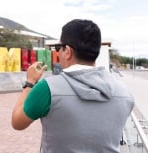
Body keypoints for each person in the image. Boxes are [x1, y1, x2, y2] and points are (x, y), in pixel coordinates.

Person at [11, 19, 135, 153]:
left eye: (59, 48)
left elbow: (17, 122)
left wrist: (29, 83)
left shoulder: (47, 89)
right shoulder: (125, 94)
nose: (58, 53)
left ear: (68, 51)